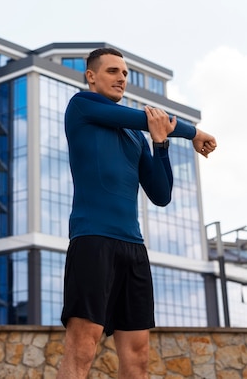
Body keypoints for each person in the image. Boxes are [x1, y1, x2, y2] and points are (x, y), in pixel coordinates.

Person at [57, 47, 217, 379]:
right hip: (93, 240)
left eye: (125, 73)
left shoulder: (136, 135)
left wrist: (161, 145)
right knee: (83, 348)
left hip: (133, 246)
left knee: (138, 355)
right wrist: (195, 133)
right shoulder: (82, 106)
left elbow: (161, 194)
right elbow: (144, 118)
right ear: (91, 76)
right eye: (113, 71)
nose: (122, 78)